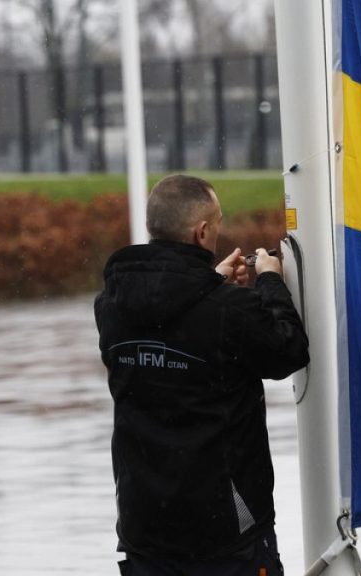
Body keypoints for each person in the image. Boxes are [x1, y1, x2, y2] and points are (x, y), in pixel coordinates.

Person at [94, 174, 309, 575]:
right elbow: (289, 350)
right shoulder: (227, 312)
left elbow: (175, 326)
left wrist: (210, 284)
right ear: (203, 231)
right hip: (226, 538)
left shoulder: (111, 305)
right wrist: (270, 281)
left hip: (145, 533)